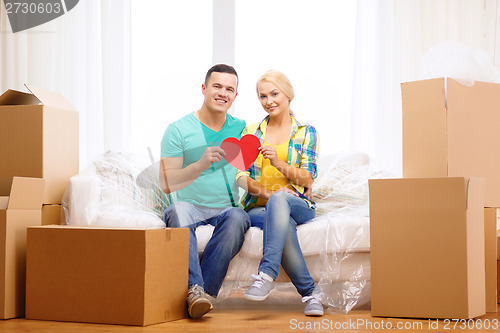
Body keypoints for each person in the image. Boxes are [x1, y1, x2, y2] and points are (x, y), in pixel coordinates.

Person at [160, 64, 250, 319]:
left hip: (226, 209)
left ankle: (201, 294)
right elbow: (167, 182)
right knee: (178, 211)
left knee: (238, 217)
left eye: (229, 89)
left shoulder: (242, 128)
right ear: (204, 88)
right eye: (217, 86)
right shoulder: (178, 129)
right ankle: (196, 291)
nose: (223, 93)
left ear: (235, 95)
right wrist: (199, 164)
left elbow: (254, 166)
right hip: (189, 205)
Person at [236, 70, 322, 316]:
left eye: (275, 93)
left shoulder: (307, 132)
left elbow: (308, 177)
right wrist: (271, 194)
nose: (269, 101)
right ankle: (311, 294)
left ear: (288, 95)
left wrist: (279, 163)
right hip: (257, 208)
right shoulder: (252, 132)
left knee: (283, 199)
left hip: (299, 204)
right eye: (263, 96)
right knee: (283, 222)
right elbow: (241, 178)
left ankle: (266, 274)